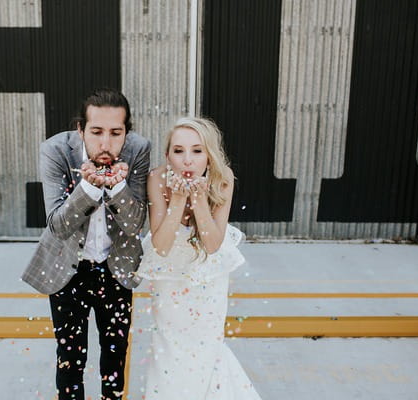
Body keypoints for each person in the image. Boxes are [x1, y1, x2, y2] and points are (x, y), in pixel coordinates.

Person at [21, 88, 150, 400]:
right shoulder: (55, 150)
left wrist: (118, 185)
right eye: (96, 132)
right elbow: (58, 226)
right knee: (70, 362)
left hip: (116, 268)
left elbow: (136, 225)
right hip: (68, 269)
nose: (105, 144)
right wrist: (89, 188)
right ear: (80, 129)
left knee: (115, 360)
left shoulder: (139, 149)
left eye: (116, 133)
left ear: (127, 132)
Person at [137, 116, 262, 399]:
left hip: (209, 276)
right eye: (178, 151)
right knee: (168, 347)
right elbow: (161, 245)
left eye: (197, 150)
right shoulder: (157, 178)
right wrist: (178, 200)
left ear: (209, 154)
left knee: (207, 346)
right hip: (169, 276)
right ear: (167, 154)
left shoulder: (223, 177)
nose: (187, 160)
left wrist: (199, 201)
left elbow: (213, 243)